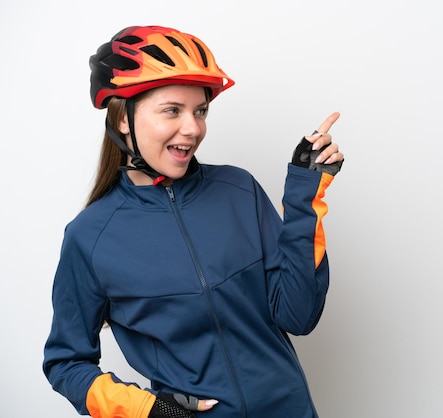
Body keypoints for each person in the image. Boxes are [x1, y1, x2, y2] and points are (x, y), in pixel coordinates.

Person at [43, 25, 344, 418]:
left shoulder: (239, 190)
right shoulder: (90, 237)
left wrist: (305, 196)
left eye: (200, 111)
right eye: (172, 110)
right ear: (122, 118)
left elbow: (298, 316)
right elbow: (65, 362)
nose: (193, 128)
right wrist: (146, 409)